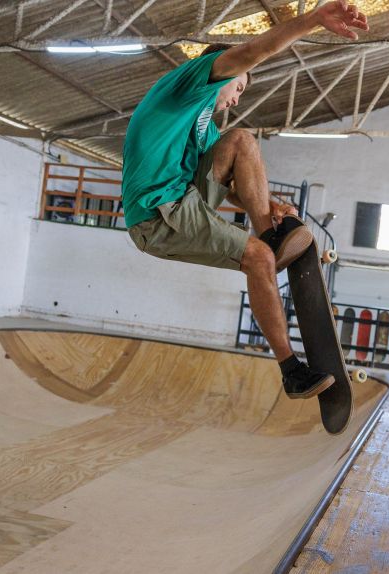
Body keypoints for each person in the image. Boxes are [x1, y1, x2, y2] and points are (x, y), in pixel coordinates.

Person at [121, 2, 368, 400]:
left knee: (240, 140)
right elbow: (255, 52)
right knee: (259, 257)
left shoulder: (201, 123)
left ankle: (270, 234)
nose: (236, 98)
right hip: (158, 215)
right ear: (222, 72)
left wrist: (271, 205)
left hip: (183, 202)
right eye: (238, 87)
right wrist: (311, 21)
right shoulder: (185, 87)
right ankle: (291, 371)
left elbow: (231, 181)